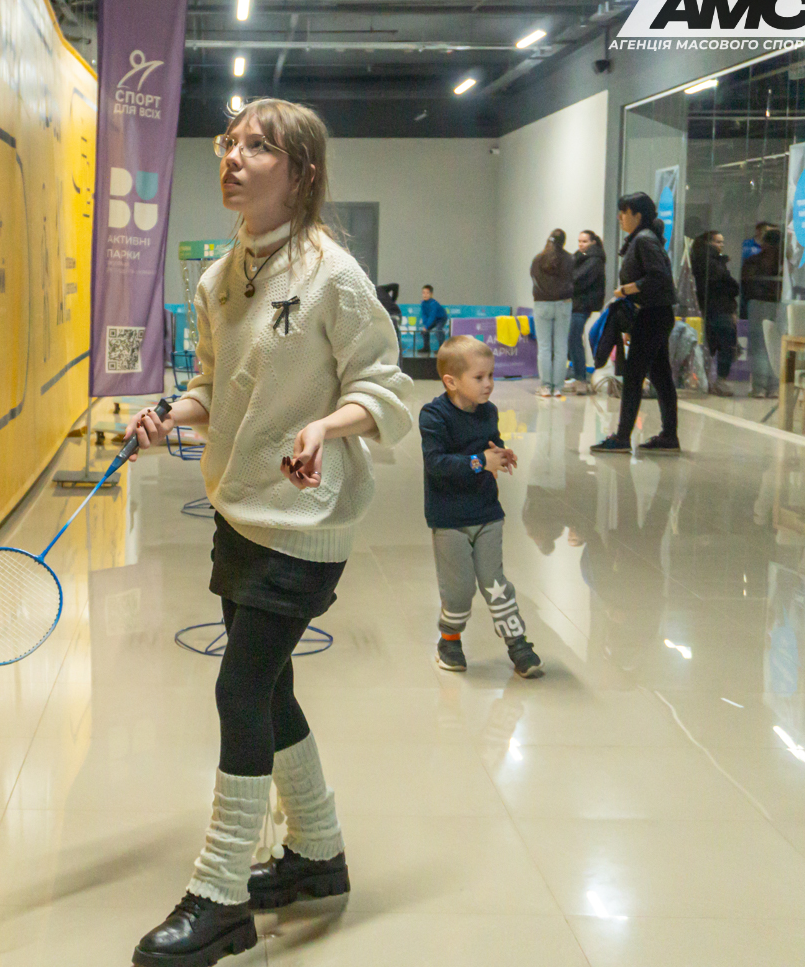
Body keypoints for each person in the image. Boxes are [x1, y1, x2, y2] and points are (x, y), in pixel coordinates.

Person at [122, 98, 414, 967]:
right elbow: (215, 388)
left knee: (239, 690)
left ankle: (220, 897)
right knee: (273, 690)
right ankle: (318, 855)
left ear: (302, 173)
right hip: (240, 510)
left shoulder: (334, 276)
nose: (235, 157)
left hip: (306, 519)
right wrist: (170, 416)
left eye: (259, 146)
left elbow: (385, 386)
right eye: (231, 142)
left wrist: (327, 426)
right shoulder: (219, 279)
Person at [421, 336, 544, 677]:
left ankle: (518, 644)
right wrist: (480, 462)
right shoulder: (434, 415)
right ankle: (449, 641)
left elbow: (490, 444)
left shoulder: (488, 411)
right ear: (451, 382)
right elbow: (437, 463)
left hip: (487, 512)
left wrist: (501, 454)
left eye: (491, 375)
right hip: (449, 519)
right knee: (459, 590)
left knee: (495, 584)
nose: (488, 383)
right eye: (479, 377)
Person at [591, 192, 681, 455]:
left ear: (638, 215)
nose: (620, 217)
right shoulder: (642, 239)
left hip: (652, 315)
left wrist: (628, 289)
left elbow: (659, 278)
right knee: (661, 377)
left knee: (633, 376)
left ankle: (622, 438)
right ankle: (669, 436)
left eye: (624, 212)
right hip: (653, 314)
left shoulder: (644, 240)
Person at [691, 230, 740, 397]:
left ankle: (706, 380)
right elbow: (727, 285)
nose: (721, 245)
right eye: (718, 242)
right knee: (726, 344)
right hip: (719, 308)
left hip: (708, 308)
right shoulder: (712, 263)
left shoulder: (700, 260)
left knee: (710, 345)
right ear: (708, 243)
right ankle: (718, 380)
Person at [529, 229, 574, 397]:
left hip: (542, 304)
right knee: (561, 347)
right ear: (564, 242)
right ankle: (558, 388)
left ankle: (546, 387)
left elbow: (534, 278)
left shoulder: (538, 259)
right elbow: (573, 280)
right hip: (563, 304)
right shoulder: (570, 259)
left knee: (544, 347)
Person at [742, 225, 784, 397]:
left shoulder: (754, 261)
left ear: (764, 243)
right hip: (778, 304)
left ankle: (759, 388)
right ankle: (774, 387)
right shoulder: (784, 263)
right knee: (776, 346)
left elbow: (746, 283)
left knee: (759, 346)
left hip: (757, 303)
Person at [570, 229, 606, 393]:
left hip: (583, 304)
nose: (581, 244)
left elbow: (578, 279)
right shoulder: (581, 258)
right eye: (579, 241)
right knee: (573, 338)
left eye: (584, 241)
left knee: (574, 338)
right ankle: (578, 375)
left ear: (593, 242)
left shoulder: (594, 260)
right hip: (579, 304)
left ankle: (581, 377)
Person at [418, 284, 449, 353]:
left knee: (438, 331)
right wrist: (425, 326)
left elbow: (432, 316)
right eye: (423, 293)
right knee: (425, 332)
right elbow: (424, 315)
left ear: (431, 294)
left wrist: (426, 326)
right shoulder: (423, 303)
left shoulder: (433, 303)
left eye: (427, 293)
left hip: (441, 318)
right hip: (434, 319)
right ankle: (426, 348)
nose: (425, 295)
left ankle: (442, 349)